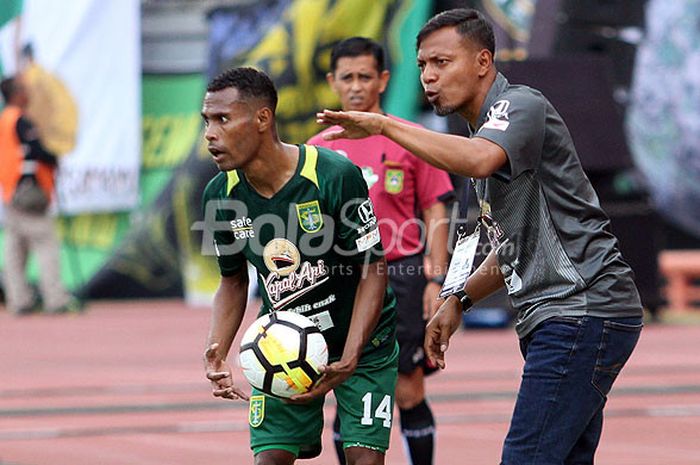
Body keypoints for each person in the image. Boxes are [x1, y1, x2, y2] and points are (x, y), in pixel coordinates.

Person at [315, 8, 643, 465]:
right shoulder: (482, 129)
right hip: (571, 315)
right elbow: (514, 245)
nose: (429, 77)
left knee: (524, 458)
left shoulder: (519, 106)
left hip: (581, 309)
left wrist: (385, 124)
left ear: (484, 62)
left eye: (442, 63)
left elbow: (477, 160)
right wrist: (459, 300)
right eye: (423, 65)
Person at [200, 67, 399, 465]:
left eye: (223, 119)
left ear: (262, 119)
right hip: (284, 348)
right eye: (207, 120)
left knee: (364, 458)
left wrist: (353, 353)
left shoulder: (332, 175)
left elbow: (372, 269)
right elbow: (234, 281)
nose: (209, 133)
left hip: (364, 342)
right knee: (270, 458)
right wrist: (218, 349)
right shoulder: (219, 196)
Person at [307, 37, 453, 465]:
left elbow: (435, 208)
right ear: (332, 82)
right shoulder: (317, 149)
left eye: (365, 76)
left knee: (407, 389)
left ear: (383, 79)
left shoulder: (410, 138)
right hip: (340, 281)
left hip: (400, 276)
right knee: (344, 386)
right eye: (347, 77)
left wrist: (436, 277)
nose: (356, 87)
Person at [0, 76, 79, 316]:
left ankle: (18, 299)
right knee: (46, 243)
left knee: (15, 247)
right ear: (16, 94)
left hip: (11, 190)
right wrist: (55, 156)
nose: (28, 94)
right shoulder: (21, 121)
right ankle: (55, 298)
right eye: (24, 90)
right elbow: (37, 151)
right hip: (28, 191)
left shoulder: (4, 119)